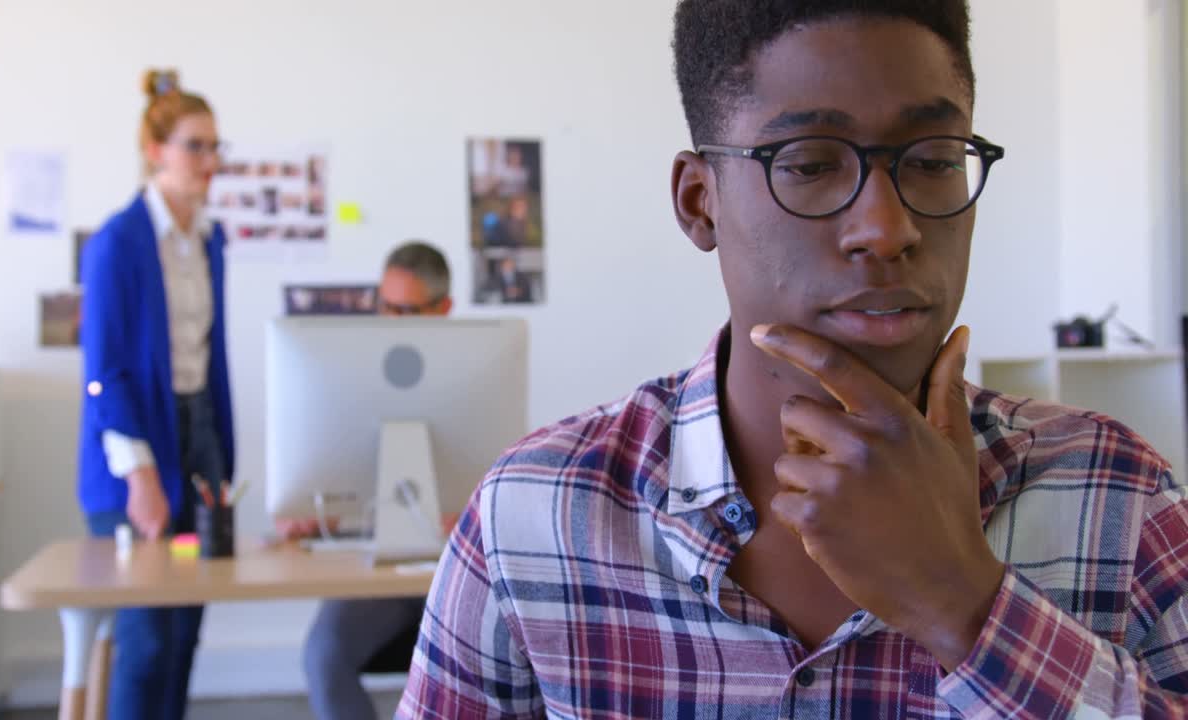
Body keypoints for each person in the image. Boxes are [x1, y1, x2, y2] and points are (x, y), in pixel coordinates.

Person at [398, 2, 1188, 717]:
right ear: (698, 200)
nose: (886, 228)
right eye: (810, 164)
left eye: (935, 158)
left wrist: (965, 605)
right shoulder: (538, 519)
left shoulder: (1117, 497)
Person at [77, 69, 234, 720]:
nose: (210, 161)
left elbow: (210, 358)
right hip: (136, 451)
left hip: (198, 440)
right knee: (144, 639)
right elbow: (104, 372)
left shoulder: (210, 239)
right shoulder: (118, 243)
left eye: (216, 146)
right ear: (156, 151)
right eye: (195, 146)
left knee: (183, 633)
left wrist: (221, 458)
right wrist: (141, 474)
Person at [282, 241, 452, 720]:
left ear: (443, 309)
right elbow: (332, 460)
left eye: (406, 310)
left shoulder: (476, 366)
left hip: (455, 562)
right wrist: (311, 506)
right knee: (323, 653)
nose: (391, 322)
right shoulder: (353, 368)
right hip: (380, 567)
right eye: (385, 307)